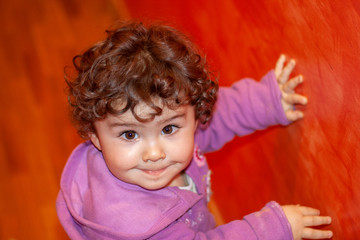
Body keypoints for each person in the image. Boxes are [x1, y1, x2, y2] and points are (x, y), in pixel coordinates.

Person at [56, 21, 333, 239]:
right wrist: (274, 228)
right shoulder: (139, 226)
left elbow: (220, 115)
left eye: (169, 128)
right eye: (130, 135)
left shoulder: (173, 131)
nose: (154, 153)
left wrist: (269, 100)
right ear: (95, 137)